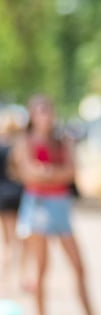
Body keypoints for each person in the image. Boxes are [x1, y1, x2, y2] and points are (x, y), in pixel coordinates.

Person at [12, 94, 101, 315]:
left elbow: (70, 173)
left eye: (48, 110)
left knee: (78, 265)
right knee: (41, 269)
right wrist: (53, 174)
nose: (46, 115)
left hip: (58, 206)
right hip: (38, 206)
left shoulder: (61, 141)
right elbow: (29, 175)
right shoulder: (25, 142)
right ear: (32, 115)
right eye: (41, 110)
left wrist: (46, 174)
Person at [0, 106, 27, 292]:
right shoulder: (18, 148)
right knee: (19, 242)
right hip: (16, 196)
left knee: (6, 240)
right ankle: (16, 278)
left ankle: (5, 279)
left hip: (2, 196)